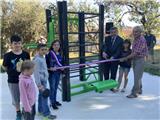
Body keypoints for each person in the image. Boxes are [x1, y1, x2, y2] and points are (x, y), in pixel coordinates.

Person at [2, 35, 30, 120]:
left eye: (19, 43)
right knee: (16, 98)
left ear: (21, 44)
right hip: (13, 80)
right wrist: (10, 72)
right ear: (11, 44)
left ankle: (25, 110)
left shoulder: (26, 54)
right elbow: (4, 66)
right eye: (15, 43)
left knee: (26, 96)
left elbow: (29, 65)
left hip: (25, 80)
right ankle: (18, 112)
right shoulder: (7, 55)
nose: (17, 45)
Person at [120, 26, 148, 98]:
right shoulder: (136, 38)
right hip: (136, 59)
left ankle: (134, 93)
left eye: (136, 31)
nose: (134, 33)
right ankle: (139, 89)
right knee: (138, 76)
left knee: (137, 77)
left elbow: (135, 53)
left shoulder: (141, 40)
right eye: (134, 31)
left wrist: (125, 58)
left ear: (140, 32)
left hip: (140, 60)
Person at [33, 43, 56, 119]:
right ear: (38, 50)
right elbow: (36, 73)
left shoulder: (42, 57)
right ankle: (46, 114)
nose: (44, 51)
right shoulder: (37, 60)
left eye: (45, 49)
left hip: (44, 80)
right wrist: (39, 84)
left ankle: (40, 110)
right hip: (41, 81)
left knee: (41, 96)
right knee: (45, 97)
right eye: (42, 50)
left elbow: (43, 69)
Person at [102, 27, 123, 92]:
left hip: (114, 59)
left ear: (117, 32)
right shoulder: (107, 38)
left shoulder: (120, 40)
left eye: (114, 32)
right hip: (106, 58)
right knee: (106, 72)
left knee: (113, 72)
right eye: (111, 32)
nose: (112, 34)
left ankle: (112, 86)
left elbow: (119, 51)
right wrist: (104, 52)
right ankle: (106, 84)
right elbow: (105, 46)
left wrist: (113, 57)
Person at [46, 40, 63, 110]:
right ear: (52, 46)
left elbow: (62, 63)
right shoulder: (49, 54)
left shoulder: (60, 53)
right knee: (52, 88)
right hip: (52, 74)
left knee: (55, 88)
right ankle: (52, 103)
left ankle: (54, 101)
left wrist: (63, 70)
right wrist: (50, 68)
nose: (56, 46)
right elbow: (46, 64)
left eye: (58, 45)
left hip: (58, 73)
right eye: (55, 45)